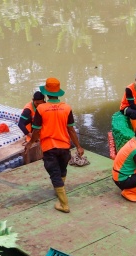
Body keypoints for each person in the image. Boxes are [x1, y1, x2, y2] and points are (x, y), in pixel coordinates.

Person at [28, 77, 84, 213]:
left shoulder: (41, 109)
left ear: (46, 93)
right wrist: (78, 146)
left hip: (49, 148)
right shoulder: (66, 108)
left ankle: (64, 204)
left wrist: (30, 143)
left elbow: (37, 130)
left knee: (54, 174)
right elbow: (71, 129)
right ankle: (59, 190)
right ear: (58, 93)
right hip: (65, 147)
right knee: (62, 170)